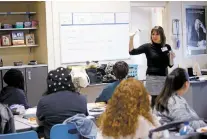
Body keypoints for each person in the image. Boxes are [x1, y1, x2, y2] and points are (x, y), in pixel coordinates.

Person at [97, 78, 161, 139]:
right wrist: (149, 111)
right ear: (141, 98)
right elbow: (158, 134)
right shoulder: (139, 121)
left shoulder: (107, 118)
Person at [36, 67, 88, 139]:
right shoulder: (82, 99)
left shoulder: (43, 101)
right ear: (70, 81)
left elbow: (39, 123)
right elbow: (84, 117)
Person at [129, 26, 175, 107]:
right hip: (152, 79)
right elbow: (132, 52)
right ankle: (153, 119)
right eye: (153, 34)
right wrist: (131, 38)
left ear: (162, 35)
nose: (154, 36)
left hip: (164, 79)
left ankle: (163, 120)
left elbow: (170, 65)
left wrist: (172, 57)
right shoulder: (148, 47)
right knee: (153, 103)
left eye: (157, 34)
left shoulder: (167, 47)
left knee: (164, 104)